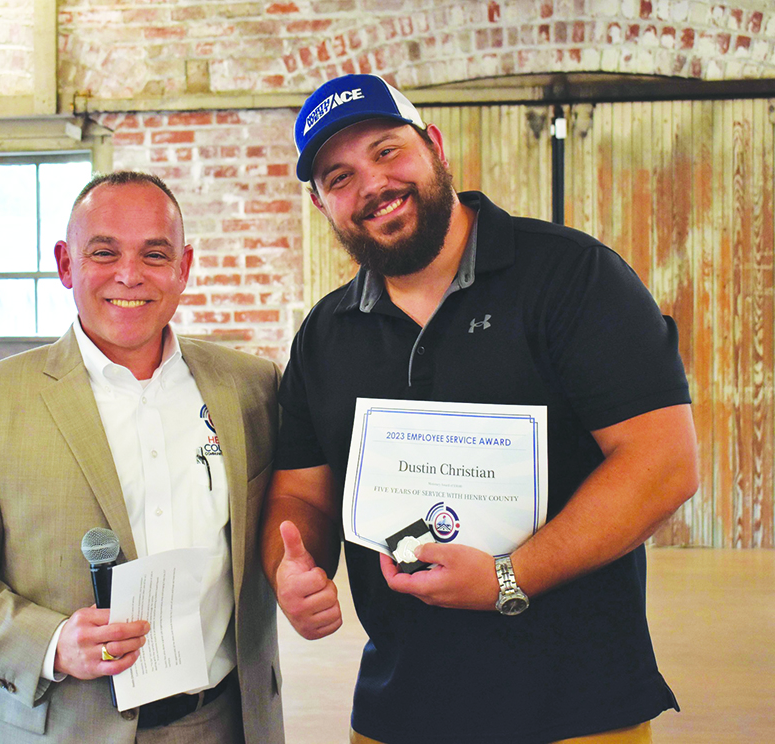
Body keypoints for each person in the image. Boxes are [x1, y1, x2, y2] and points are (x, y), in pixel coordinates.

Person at [261, 74, 699, 743]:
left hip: (579, 709)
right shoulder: (326, 336)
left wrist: (506, 578)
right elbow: (303, 497)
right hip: (399, 708)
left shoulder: (572, 277)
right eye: (339, 176)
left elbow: (663, 463)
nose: (372, 185)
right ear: (322, 205)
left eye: (386, 151)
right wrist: (291, 569)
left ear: (435, 147)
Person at [0, 171, 284, 744]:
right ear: (65, 264)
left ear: (184, 267)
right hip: (67, 727)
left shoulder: (252, 387)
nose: (130, 274)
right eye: (104, 252)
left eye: (155, 254)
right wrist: (50, 643)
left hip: (226, 722)